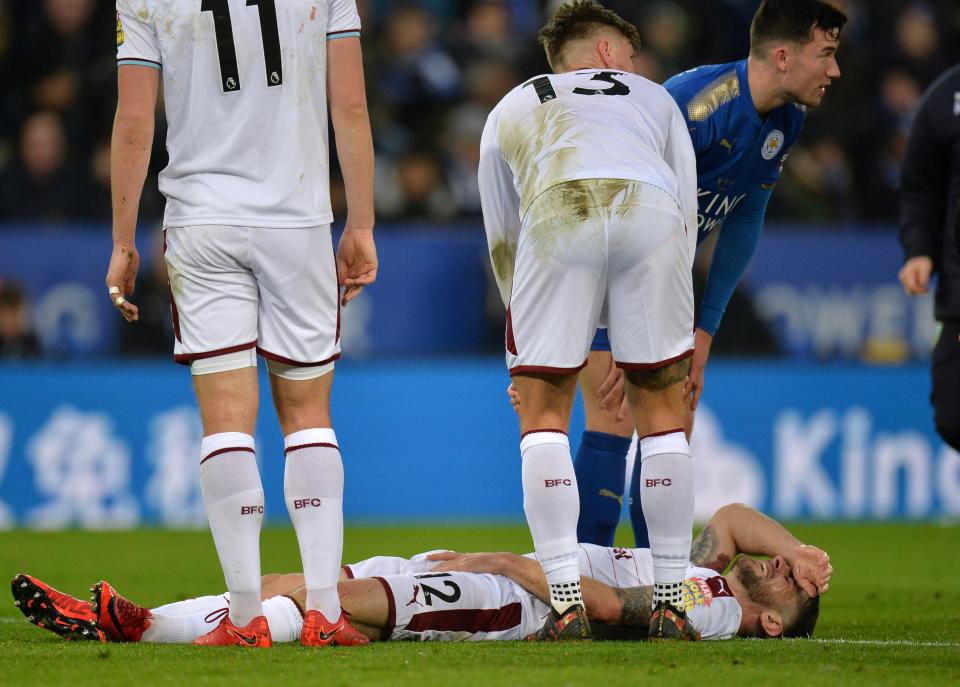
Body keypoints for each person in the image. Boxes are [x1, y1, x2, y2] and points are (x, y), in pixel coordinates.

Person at [107, 0, 377, 648]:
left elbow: (135, 119)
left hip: (201, 217)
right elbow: (352, 108)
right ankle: (323, 609)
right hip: (298, 215)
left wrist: (122, 239)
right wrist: (362, 221)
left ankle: (247, 612)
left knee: (226, 418)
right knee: (309, 414)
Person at [547, 0, 846, 550]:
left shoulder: (787, 120)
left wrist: (704, 329)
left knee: (670, 425)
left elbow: (744, 218)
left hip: (663, 284)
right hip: (604, 269)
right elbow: (618, 207)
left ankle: (650, 583)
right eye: (825, 54)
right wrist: (615, 321)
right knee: (613, 415)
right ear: (783, 56)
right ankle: (586, 575)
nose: (835, 70)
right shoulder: (693, 108)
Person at [479, 1, 699, 640]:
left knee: (543, 411)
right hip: (652, 211)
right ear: (607, 52)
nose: (634, 65)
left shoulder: (512, 105)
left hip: (557, 205)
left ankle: (567, 602)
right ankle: (670, 605)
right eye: (628, 54)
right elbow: (684, 205)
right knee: (661, 414)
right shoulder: (653, 97)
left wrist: (529, 333)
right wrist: (655, 325)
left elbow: (501, 230)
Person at [12, 502, 833, 644]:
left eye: (789, 585)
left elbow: (613, 606)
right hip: (506, 575)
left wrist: (508, 561)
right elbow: (728, 516)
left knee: (341, 596)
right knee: (320, 581)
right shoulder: (716, 575)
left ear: (770, 620)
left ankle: (140, 623)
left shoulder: (716, 614)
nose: (779, 570)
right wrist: (796, 548)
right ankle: (138, 616)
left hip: (513, 601)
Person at [898, 62, 960, 453]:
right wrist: (920, 250)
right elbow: (920, 186)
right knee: (953, 416)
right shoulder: (946, 98)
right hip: (958, 295)